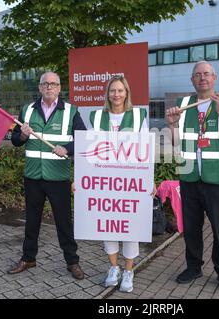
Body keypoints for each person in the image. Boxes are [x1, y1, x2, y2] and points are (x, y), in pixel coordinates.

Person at [166, 61, 219, 293]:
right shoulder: (183, 105)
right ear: (192, 80)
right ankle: (193, 267)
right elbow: (175, 144)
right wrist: (171, 126)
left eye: (206, 74)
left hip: (217, 179)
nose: (202, 78)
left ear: (215, 78)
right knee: (191, 228)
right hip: (189, 177)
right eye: (198, 75)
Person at [8, 71, 86, 280]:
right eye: (45, 84)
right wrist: (23, 134)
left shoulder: (71, 111)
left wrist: (67, 149)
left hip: (58, 178)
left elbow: (84, 139)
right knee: (32, 221)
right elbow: (15, 139)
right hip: (33, 176)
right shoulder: (28, 109)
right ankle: (28, 258)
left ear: (60, 88)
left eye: (54, 84)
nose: (49, 87)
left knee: (63, 222)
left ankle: (72, 262)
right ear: (40, 87)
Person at [89, 75, 148, 293]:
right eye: (112, 90)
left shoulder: (138, 115)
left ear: (126, 93)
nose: (116, 94)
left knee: (130, 227)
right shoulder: (96, 117)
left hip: (130, 181)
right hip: (104, 181)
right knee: (108, 225)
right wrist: (81, 180)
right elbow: (88, 150)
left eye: (120, 90)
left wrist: (148, 181)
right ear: (108, 94)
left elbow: (145, 151)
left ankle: (129, 271)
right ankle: (113, 267)